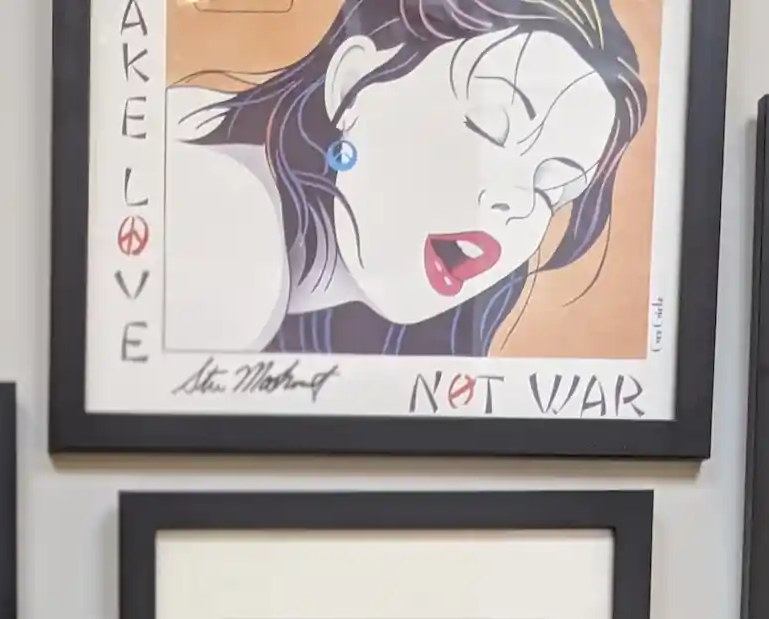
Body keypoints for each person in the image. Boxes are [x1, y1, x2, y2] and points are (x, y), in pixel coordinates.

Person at [166, 0, 647, 358]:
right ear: (352, 82)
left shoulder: (391, 344)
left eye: (552, 191)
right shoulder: (217, 211)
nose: (520, 201)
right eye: (488, 125)